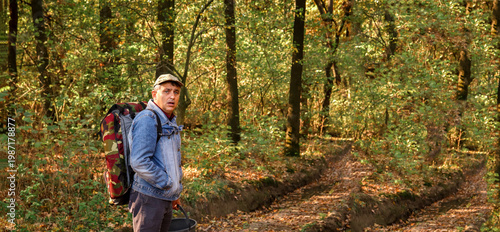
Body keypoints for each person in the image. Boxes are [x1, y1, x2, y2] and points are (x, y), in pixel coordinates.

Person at [128, 74, 184, 231]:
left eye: (176, 92)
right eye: (166, 91)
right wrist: (167, 183)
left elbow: (169, 161)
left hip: (165, 198)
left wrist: (174, 193)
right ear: (155, 94)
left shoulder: (169, 121)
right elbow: (139, 161)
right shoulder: (147, 119)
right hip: (149, 199)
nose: (172, 96)